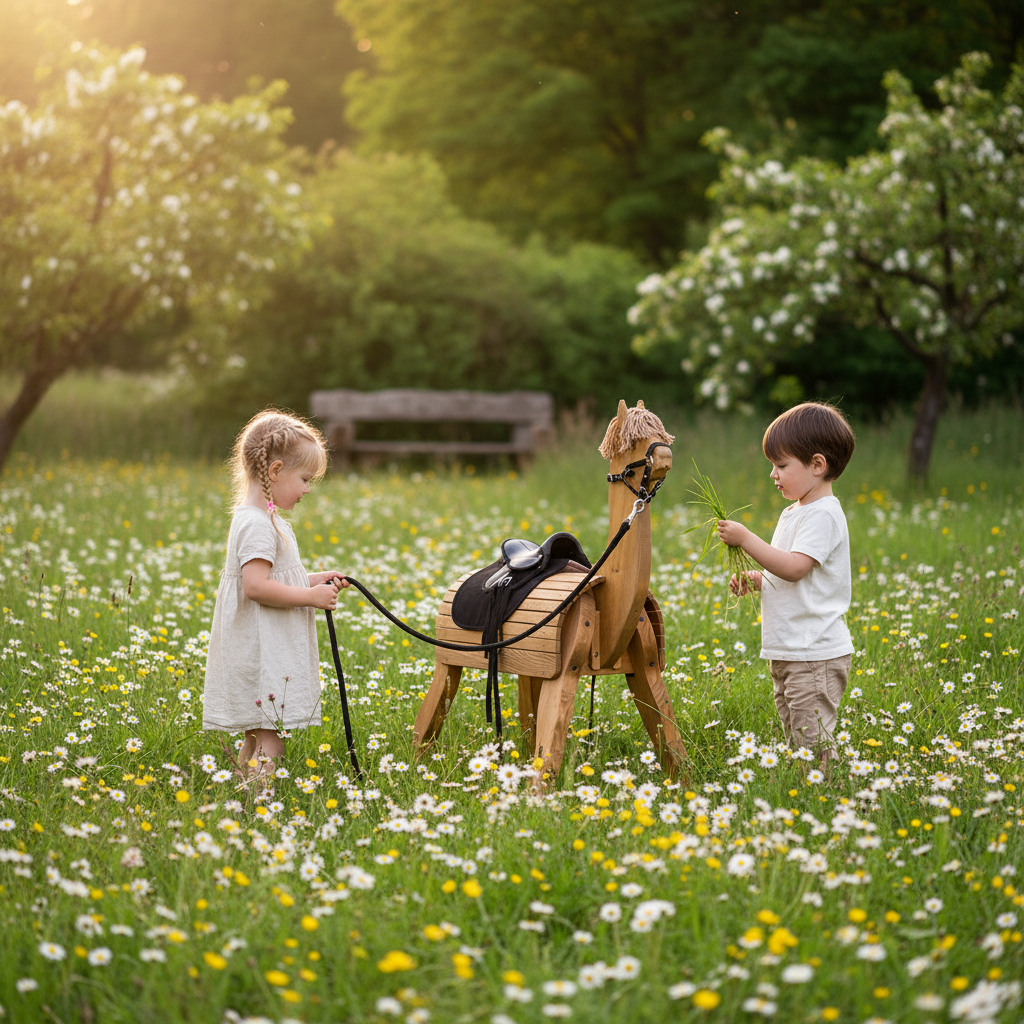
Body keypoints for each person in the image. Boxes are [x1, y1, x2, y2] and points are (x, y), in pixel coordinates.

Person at [203, 409, 347, 789]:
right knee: (271, 742)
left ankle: (238, 795)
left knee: (254, 736)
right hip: (261, 653)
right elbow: (256, 586)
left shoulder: (257, 518)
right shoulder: (257, 525)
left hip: (257, 648)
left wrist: (315, 581)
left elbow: (273, 578)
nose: (308, 489)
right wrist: (311, 598)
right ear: (275, 471)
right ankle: (260, 804)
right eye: (304, 479)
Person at [716, 402, 856, 767]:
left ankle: (827, 788)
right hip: (791, 649)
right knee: (796, 730)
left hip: (814, 652)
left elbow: (795, 569)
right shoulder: (796, 511)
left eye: (781, 465)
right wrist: (758, 579)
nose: (773, 474)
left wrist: (747, 539)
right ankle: (809, 787)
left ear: (817, 465)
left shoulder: (823, 514)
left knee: (812, 737)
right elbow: (788, 572)